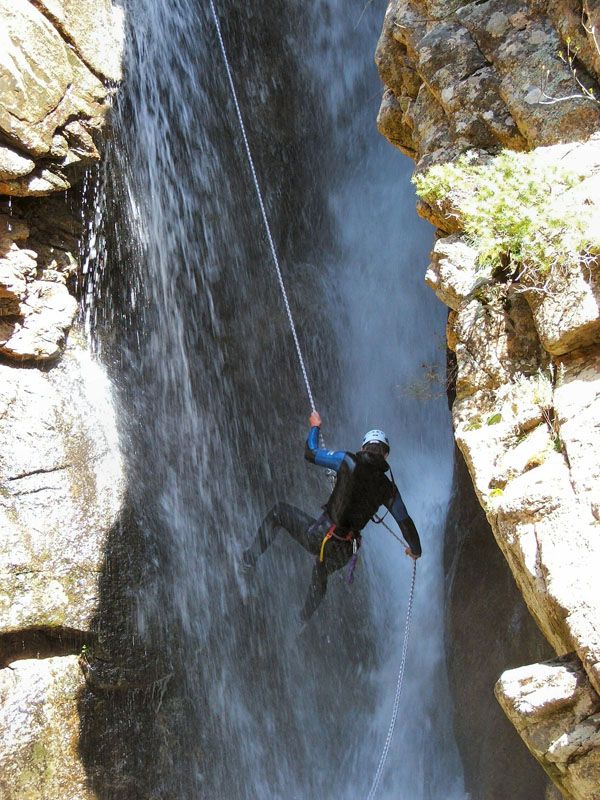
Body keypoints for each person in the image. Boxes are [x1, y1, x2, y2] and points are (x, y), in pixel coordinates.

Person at [242, 411, 421, 623]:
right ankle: (302, 619)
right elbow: (405, 522)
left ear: (363, 448)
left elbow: (311, 453)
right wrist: (415, 550)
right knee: (321, 571)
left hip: (320, 536)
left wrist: (315, 426)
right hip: (345, 551)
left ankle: (248, 560)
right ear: (386, 455)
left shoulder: (348, 461)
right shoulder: (388, 489)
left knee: (278, 512)